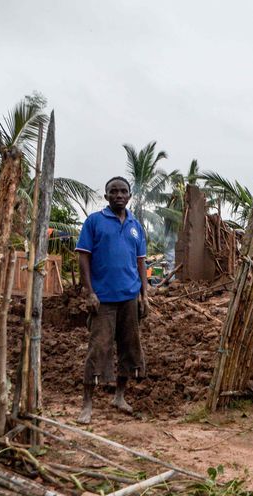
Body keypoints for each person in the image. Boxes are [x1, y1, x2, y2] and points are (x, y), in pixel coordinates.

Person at [74, 177, 149, 424]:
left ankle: (119, 396)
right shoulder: (94, 222)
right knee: (98, 348)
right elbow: (83, 257)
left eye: (123, 191)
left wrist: (144, 296)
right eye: (113, 191)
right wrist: (90, 292)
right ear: (106, 197)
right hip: (103, 299)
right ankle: (87, 404)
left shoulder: (136, 226)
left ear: (129, 196)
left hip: (130, 297)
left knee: (129, 348)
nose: (119, 195)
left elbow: (140, 262)